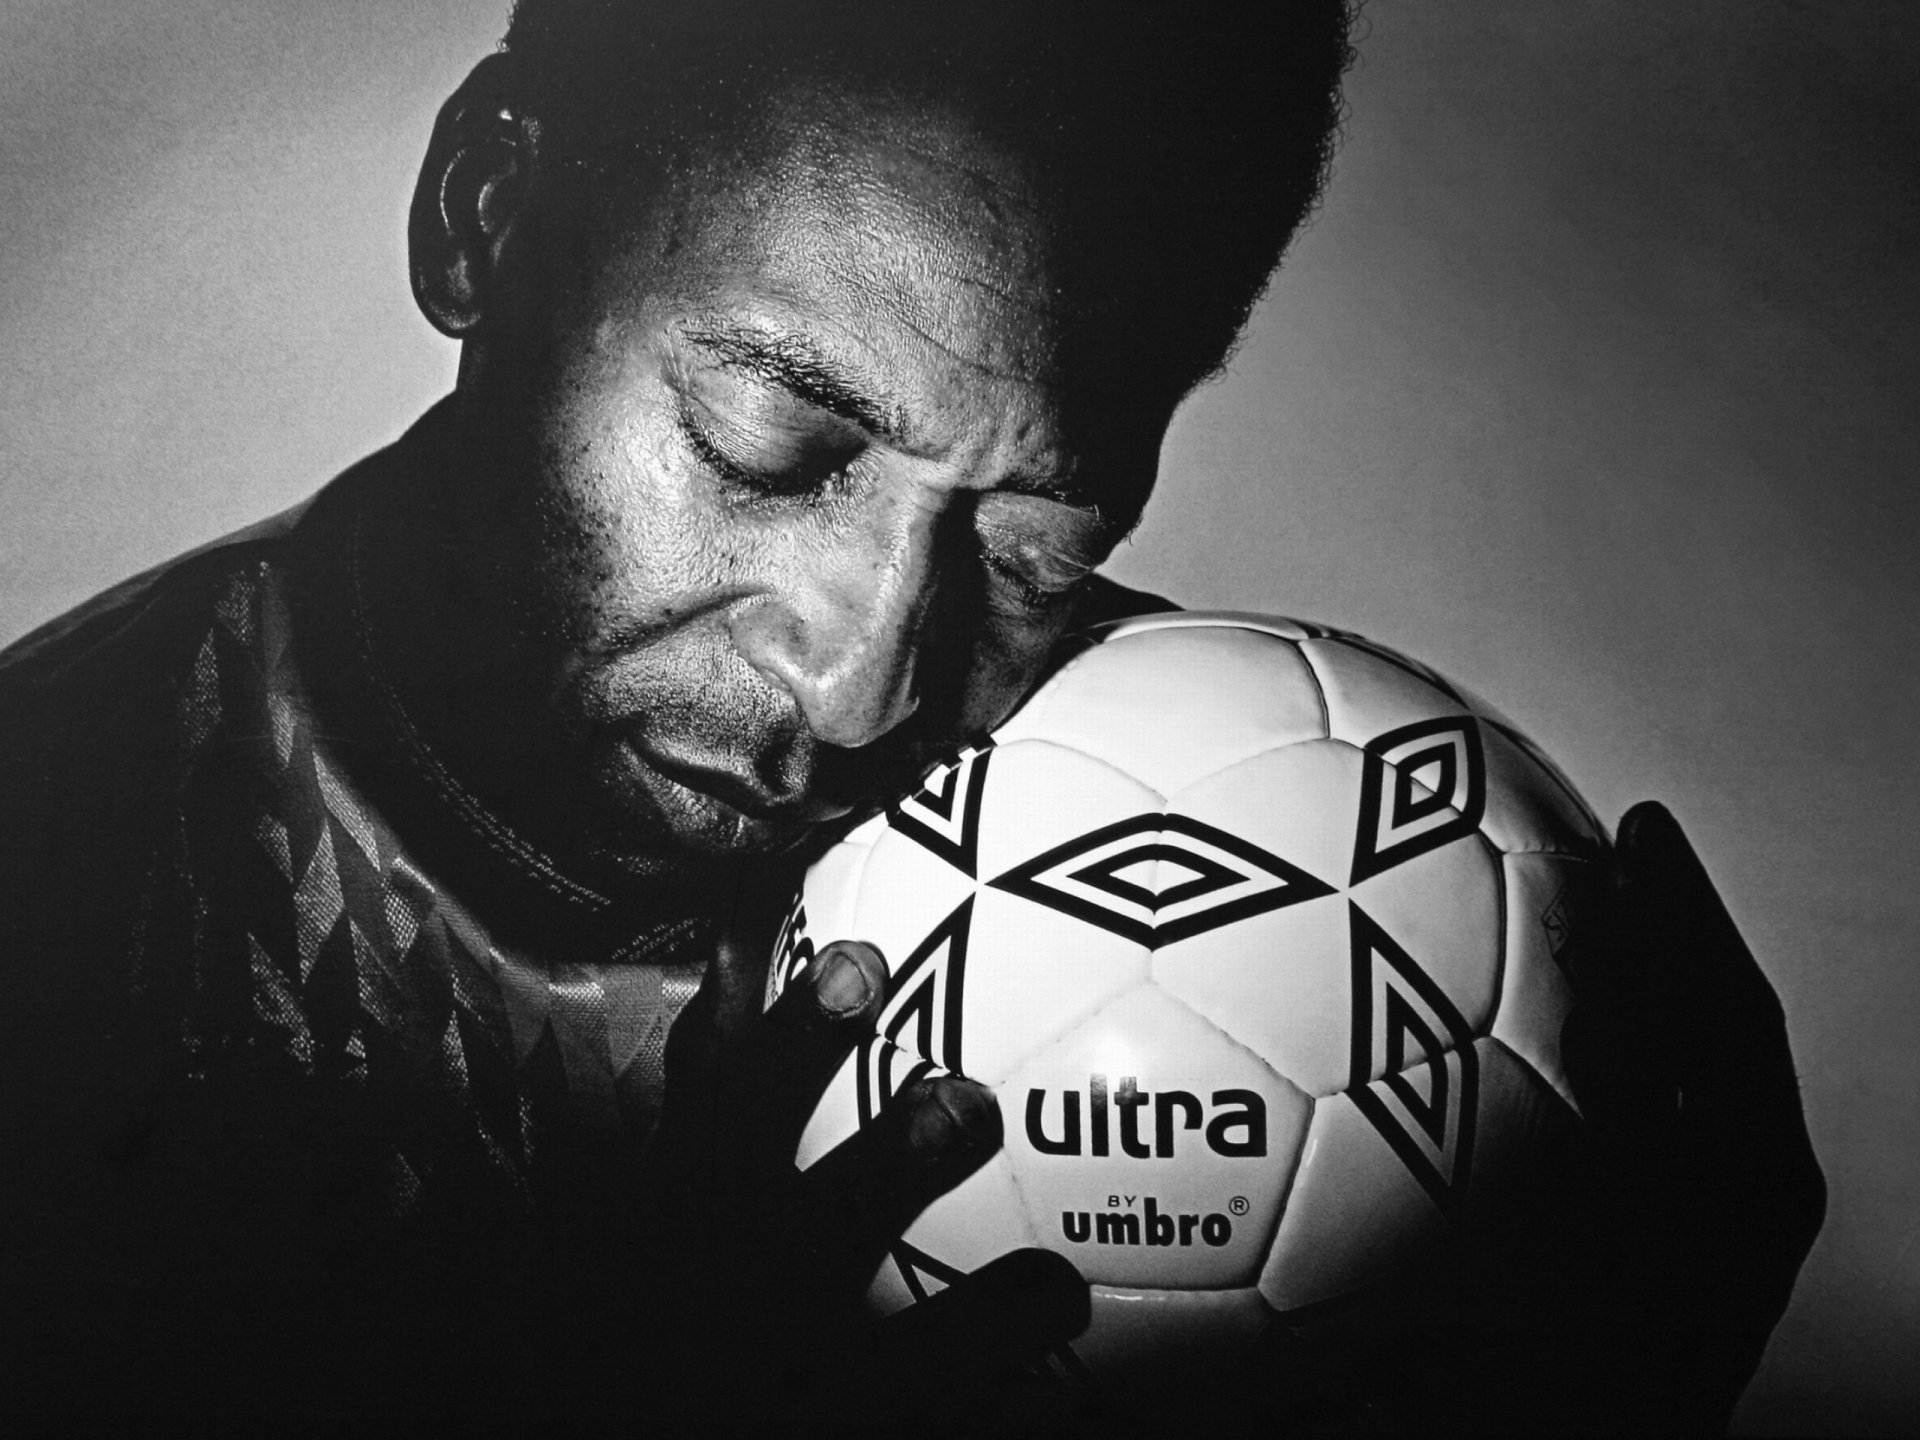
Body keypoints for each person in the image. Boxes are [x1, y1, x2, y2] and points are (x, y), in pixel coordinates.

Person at [0, 1, 1822, 1431]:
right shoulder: (51, 885)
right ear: (487, 213)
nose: (868, 683)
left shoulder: (1271, 851)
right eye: (773, 448)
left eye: (1038, 544)